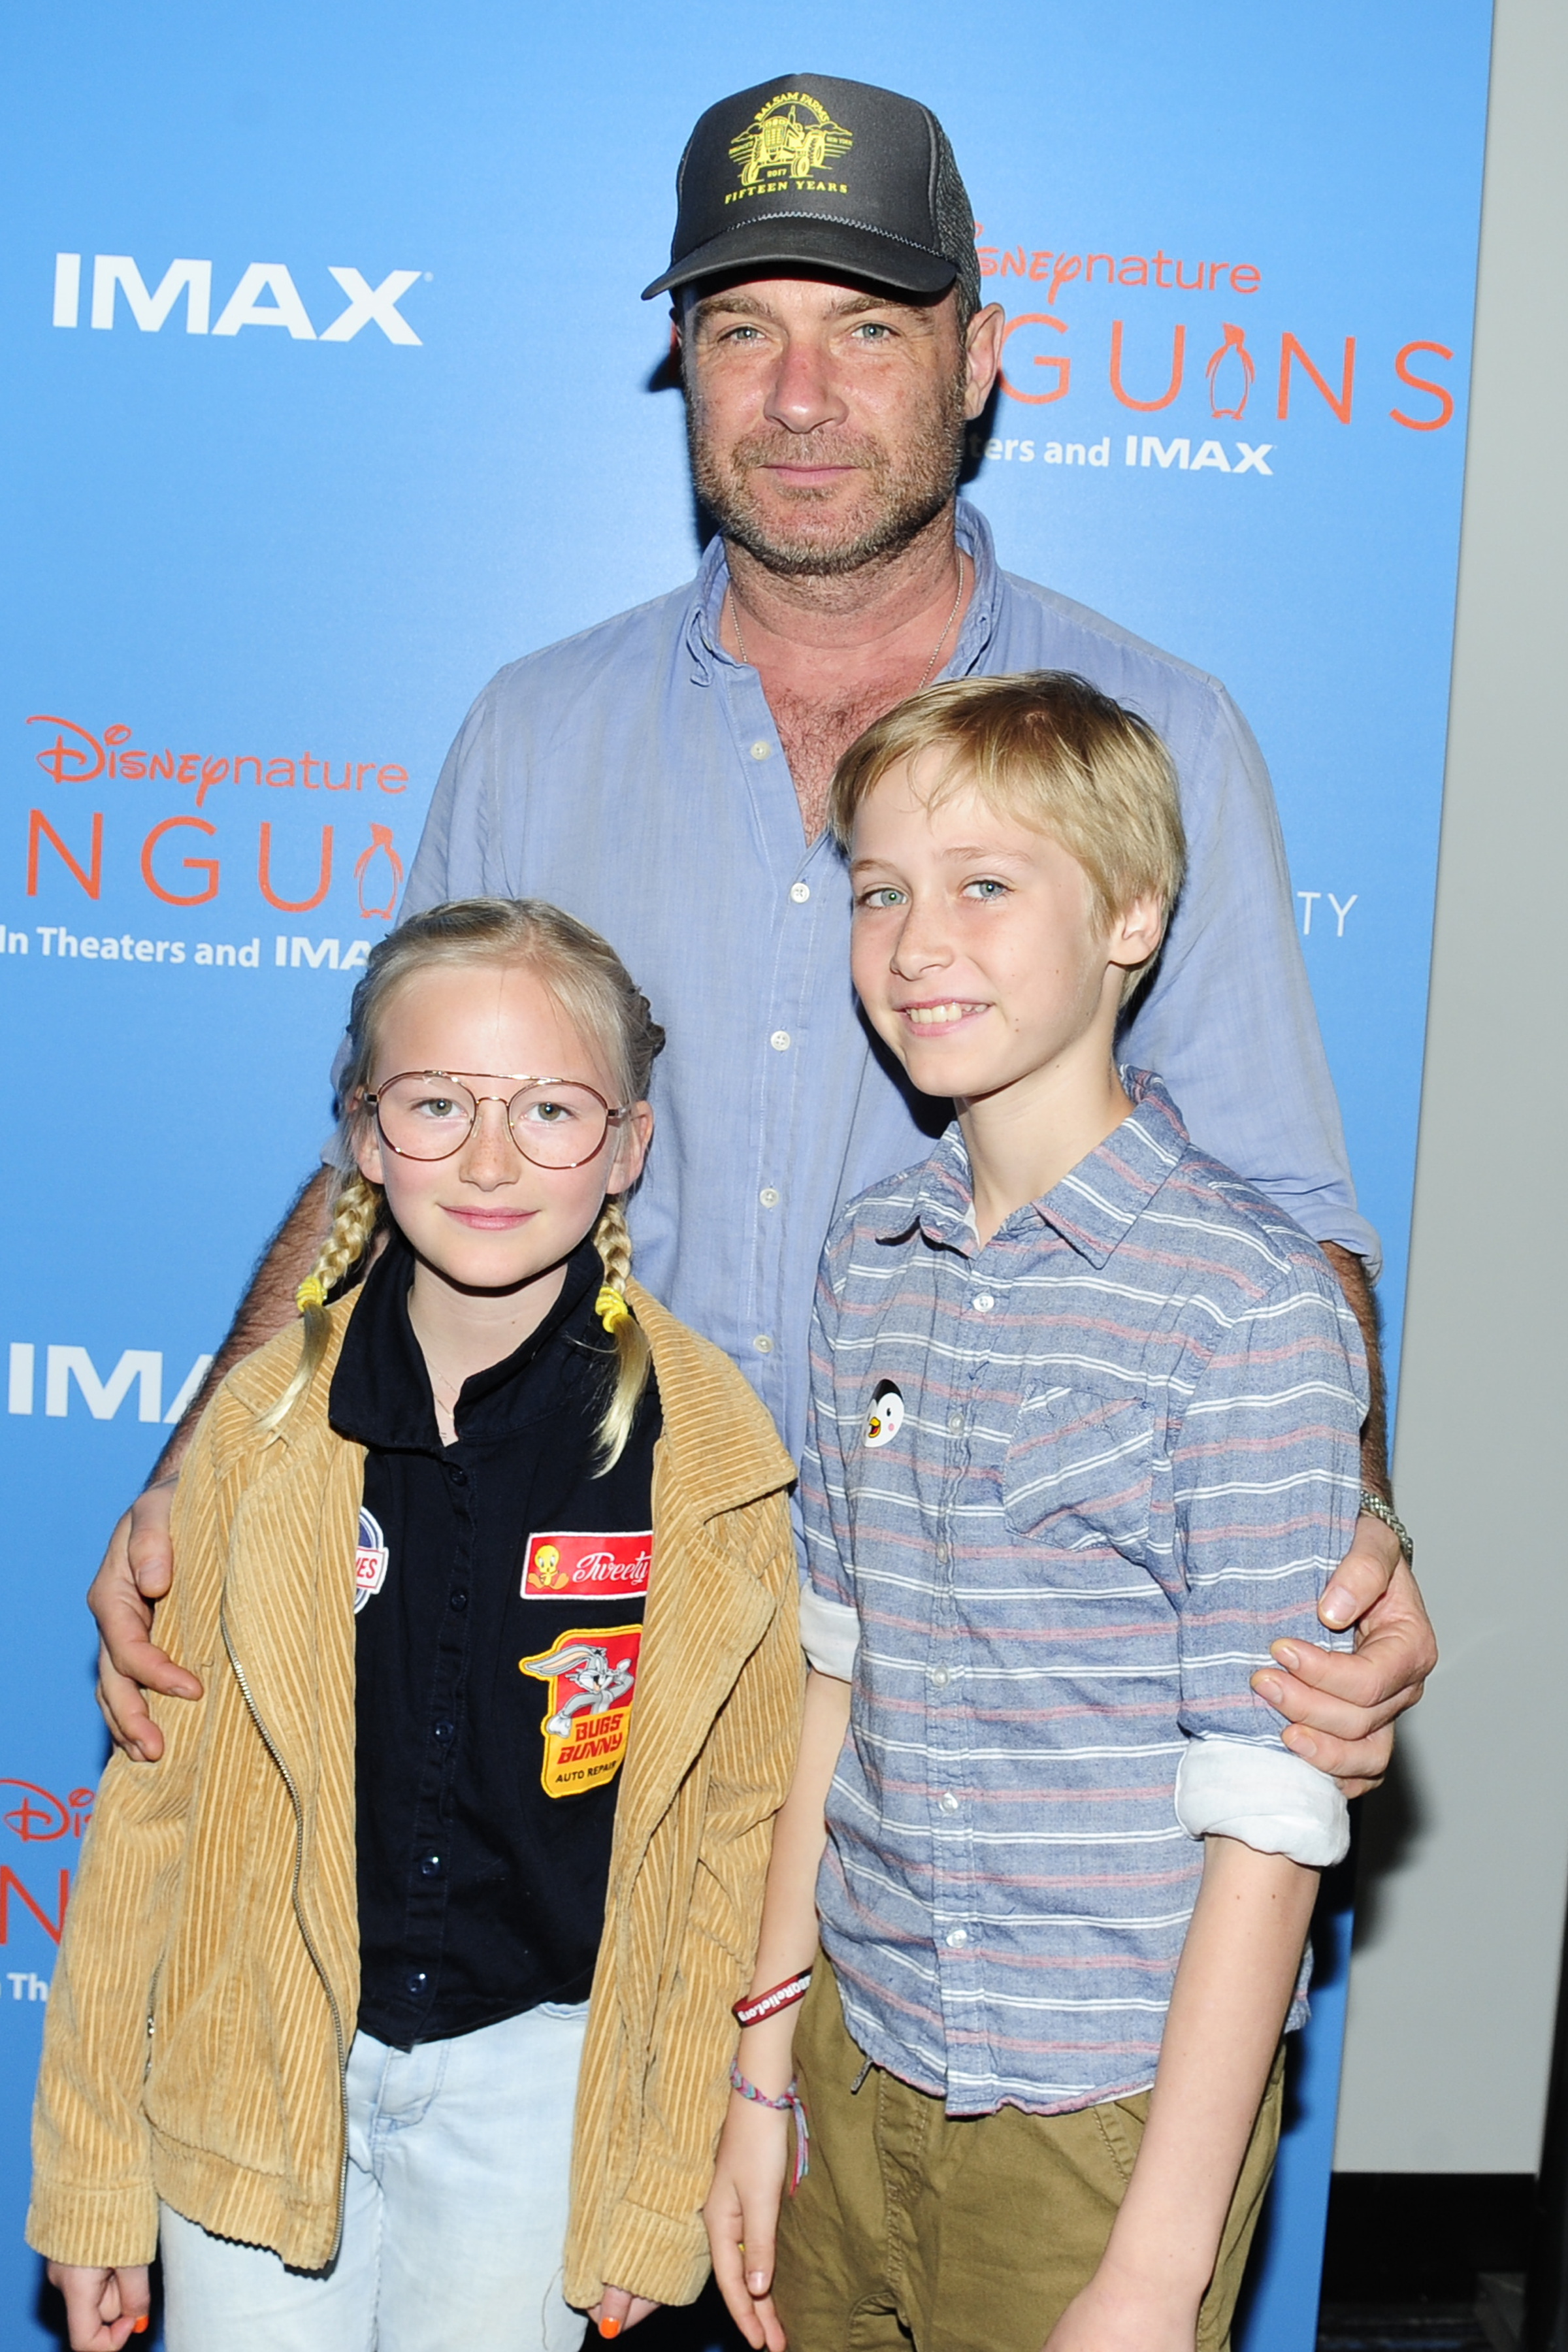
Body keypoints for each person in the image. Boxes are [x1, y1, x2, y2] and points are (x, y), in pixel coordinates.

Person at [88, 71, 1429, 1794]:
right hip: (583, 1673)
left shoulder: (1155, 733)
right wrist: (200, 1465)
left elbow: (1283, 1217)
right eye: (742, 331)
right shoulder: (535, 730)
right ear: (684, 362)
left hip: (1013, 1699)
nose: (800, 399)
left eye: (867, 329)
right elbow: (396, 1166)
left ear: (978, 358)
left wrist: (1356, 1528)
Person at [30, 900, 802, 2352]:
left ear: (630, 1145)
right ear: (366, 1135)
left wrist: (653, 2178)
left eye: (550, 1110)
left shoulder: (707, 1460)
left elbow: (729, 1846)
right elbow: (148, 1825)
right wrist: (92, 2177)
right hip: (254, 2066)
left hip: (542, 2093)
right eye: (438, 1104)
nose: (491, 1159)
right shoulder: (258, 1431)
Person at [706, 674, 1369, 2352]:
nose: (917, 943)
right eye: (880, 892)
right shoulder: (870, 1259)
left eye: (986, 885)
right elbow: (837, 1688)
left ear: (1133, 916)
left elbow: (1271, 1818)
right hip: (855, 2064)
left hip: (1103, 2118)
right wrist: (764, 2071)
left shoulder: (1249, 1306)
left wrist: (1153, 2270)